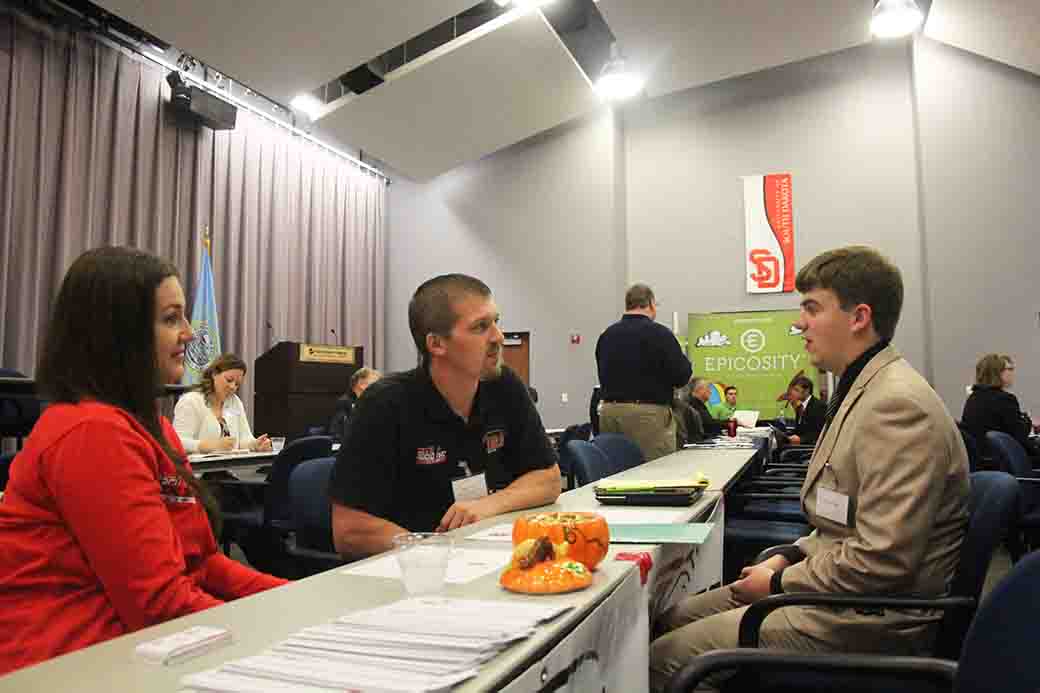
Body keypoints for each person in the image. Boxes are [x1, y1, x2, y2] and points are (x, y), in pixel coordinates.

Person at [650, 245, 970, 692]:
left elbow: (882, 560)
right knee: (671, 618)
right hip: (841, 593)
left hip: (870, 621)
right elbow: (845, 526)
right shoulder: (863, 387)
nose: (799, 323)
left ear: (858, 317)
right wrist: (794, 554)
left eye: (811, 309)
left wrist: (780, 580)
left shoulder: (897, 406)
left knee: (664, 660)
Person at [0, 247, 287, 675]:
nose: (189, 334)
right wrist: (282, 634)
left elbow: (202, 564)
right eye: (171, 318)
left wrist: (295, 599)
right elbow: (158, 605)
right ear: (119, 334)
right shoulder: (91, 432)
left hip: (138, 653)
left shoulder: (155, 428)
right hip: (66, 666)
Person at [328, 274, 561, 560]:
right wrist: (436, 554)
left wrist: (487, 505)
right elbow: (349, 530)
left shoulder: (504, 386)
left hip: (489, 557)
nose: (498, 337)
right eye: (481, 327)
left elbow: (548, 479)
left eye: (496, 322)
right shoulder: (385, 404)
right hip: (413, 574)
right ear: (437, 344)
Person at [596, 284, 693, 461]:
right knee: (654, 474)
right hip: (647, 416)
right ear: (650, 304)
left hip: (609, 413)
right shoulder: (661, 334)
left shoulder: (606, 336)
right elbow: (682, 376)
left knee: (615, 473)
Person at [172, 353, 271, 454]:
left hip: (231, 467)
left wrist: (255, 445)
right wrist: (208, 446)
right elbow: (177, 442)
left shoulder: (234, 401)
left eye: (237, 384)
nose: (233, 387)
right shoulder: (191, 401)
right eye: (229, 380)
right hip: (198, 469)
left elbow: (244, 439)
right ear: (214, 374)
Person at [961, 353, 1039, 461]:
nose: (1013, 373)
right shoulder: (1005, 399)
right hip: (1005, 461)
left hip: (984, 461)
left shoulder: (972, 398)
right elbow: (1019, 436)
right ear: (997, 372)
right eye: (1010, 369)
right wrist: (1028, 422)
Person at [328, 367, 383, 441]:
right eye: (376, 383)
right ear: (361, 384)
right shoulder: (345, 402)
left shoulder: (378, 403)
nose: (381, 387)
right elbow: (337, 432)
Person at [785, 374, 826, 446]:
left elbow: (820, 433)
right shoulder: (800, 407)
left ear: (807, 391)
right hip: (801, 445)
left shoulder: (819, 407)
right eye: (793, 390)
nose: (793, 393)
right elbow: (799, 431)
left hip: (811, 448)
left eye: (796, 390)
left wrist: (801, 440)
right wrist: (785, 436)